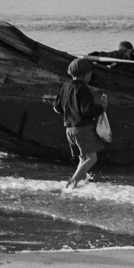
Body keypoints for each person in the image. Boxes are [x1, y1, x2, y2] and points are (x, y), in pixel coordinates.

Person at [52, 58, 108, 187]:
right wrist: (101, 108)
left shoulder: (65, 87)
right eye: (90, 73)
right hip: (83, 128)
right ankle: (72, 181)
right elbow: (87, 110)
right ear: (85, 75)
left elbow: (57, 108)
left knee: (82, 159)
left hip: (69, 129)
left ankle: (75, 186)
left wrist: (69, 110)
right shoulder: (83, 89)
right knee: (92, 158)